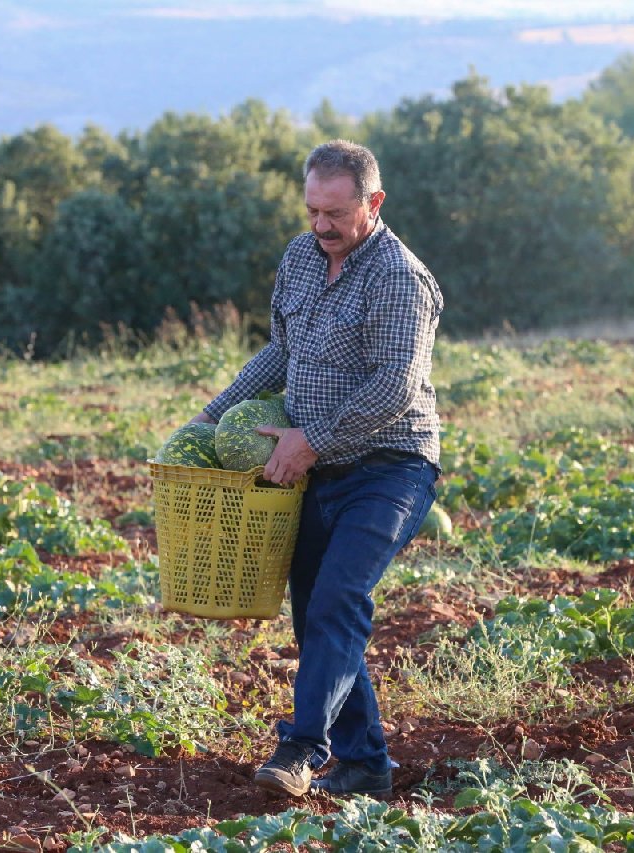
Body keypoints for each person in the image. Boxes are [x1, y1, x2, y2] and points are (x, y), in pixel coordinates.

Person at [190, 140, 442, 797]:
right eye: (312, 210)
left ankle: (303, 747)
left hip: (391, 465)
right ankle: (366, 765)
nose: (322, 226)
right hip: (315, 466)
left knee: (338, 599)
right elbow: (281, 352)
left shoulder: (398, 276)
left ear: (373, 202)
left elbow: (395, 385)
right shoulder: (301, 258)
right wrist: (211, 417)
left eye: (336, 212)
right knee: (316, 615)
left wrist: (313, 439)